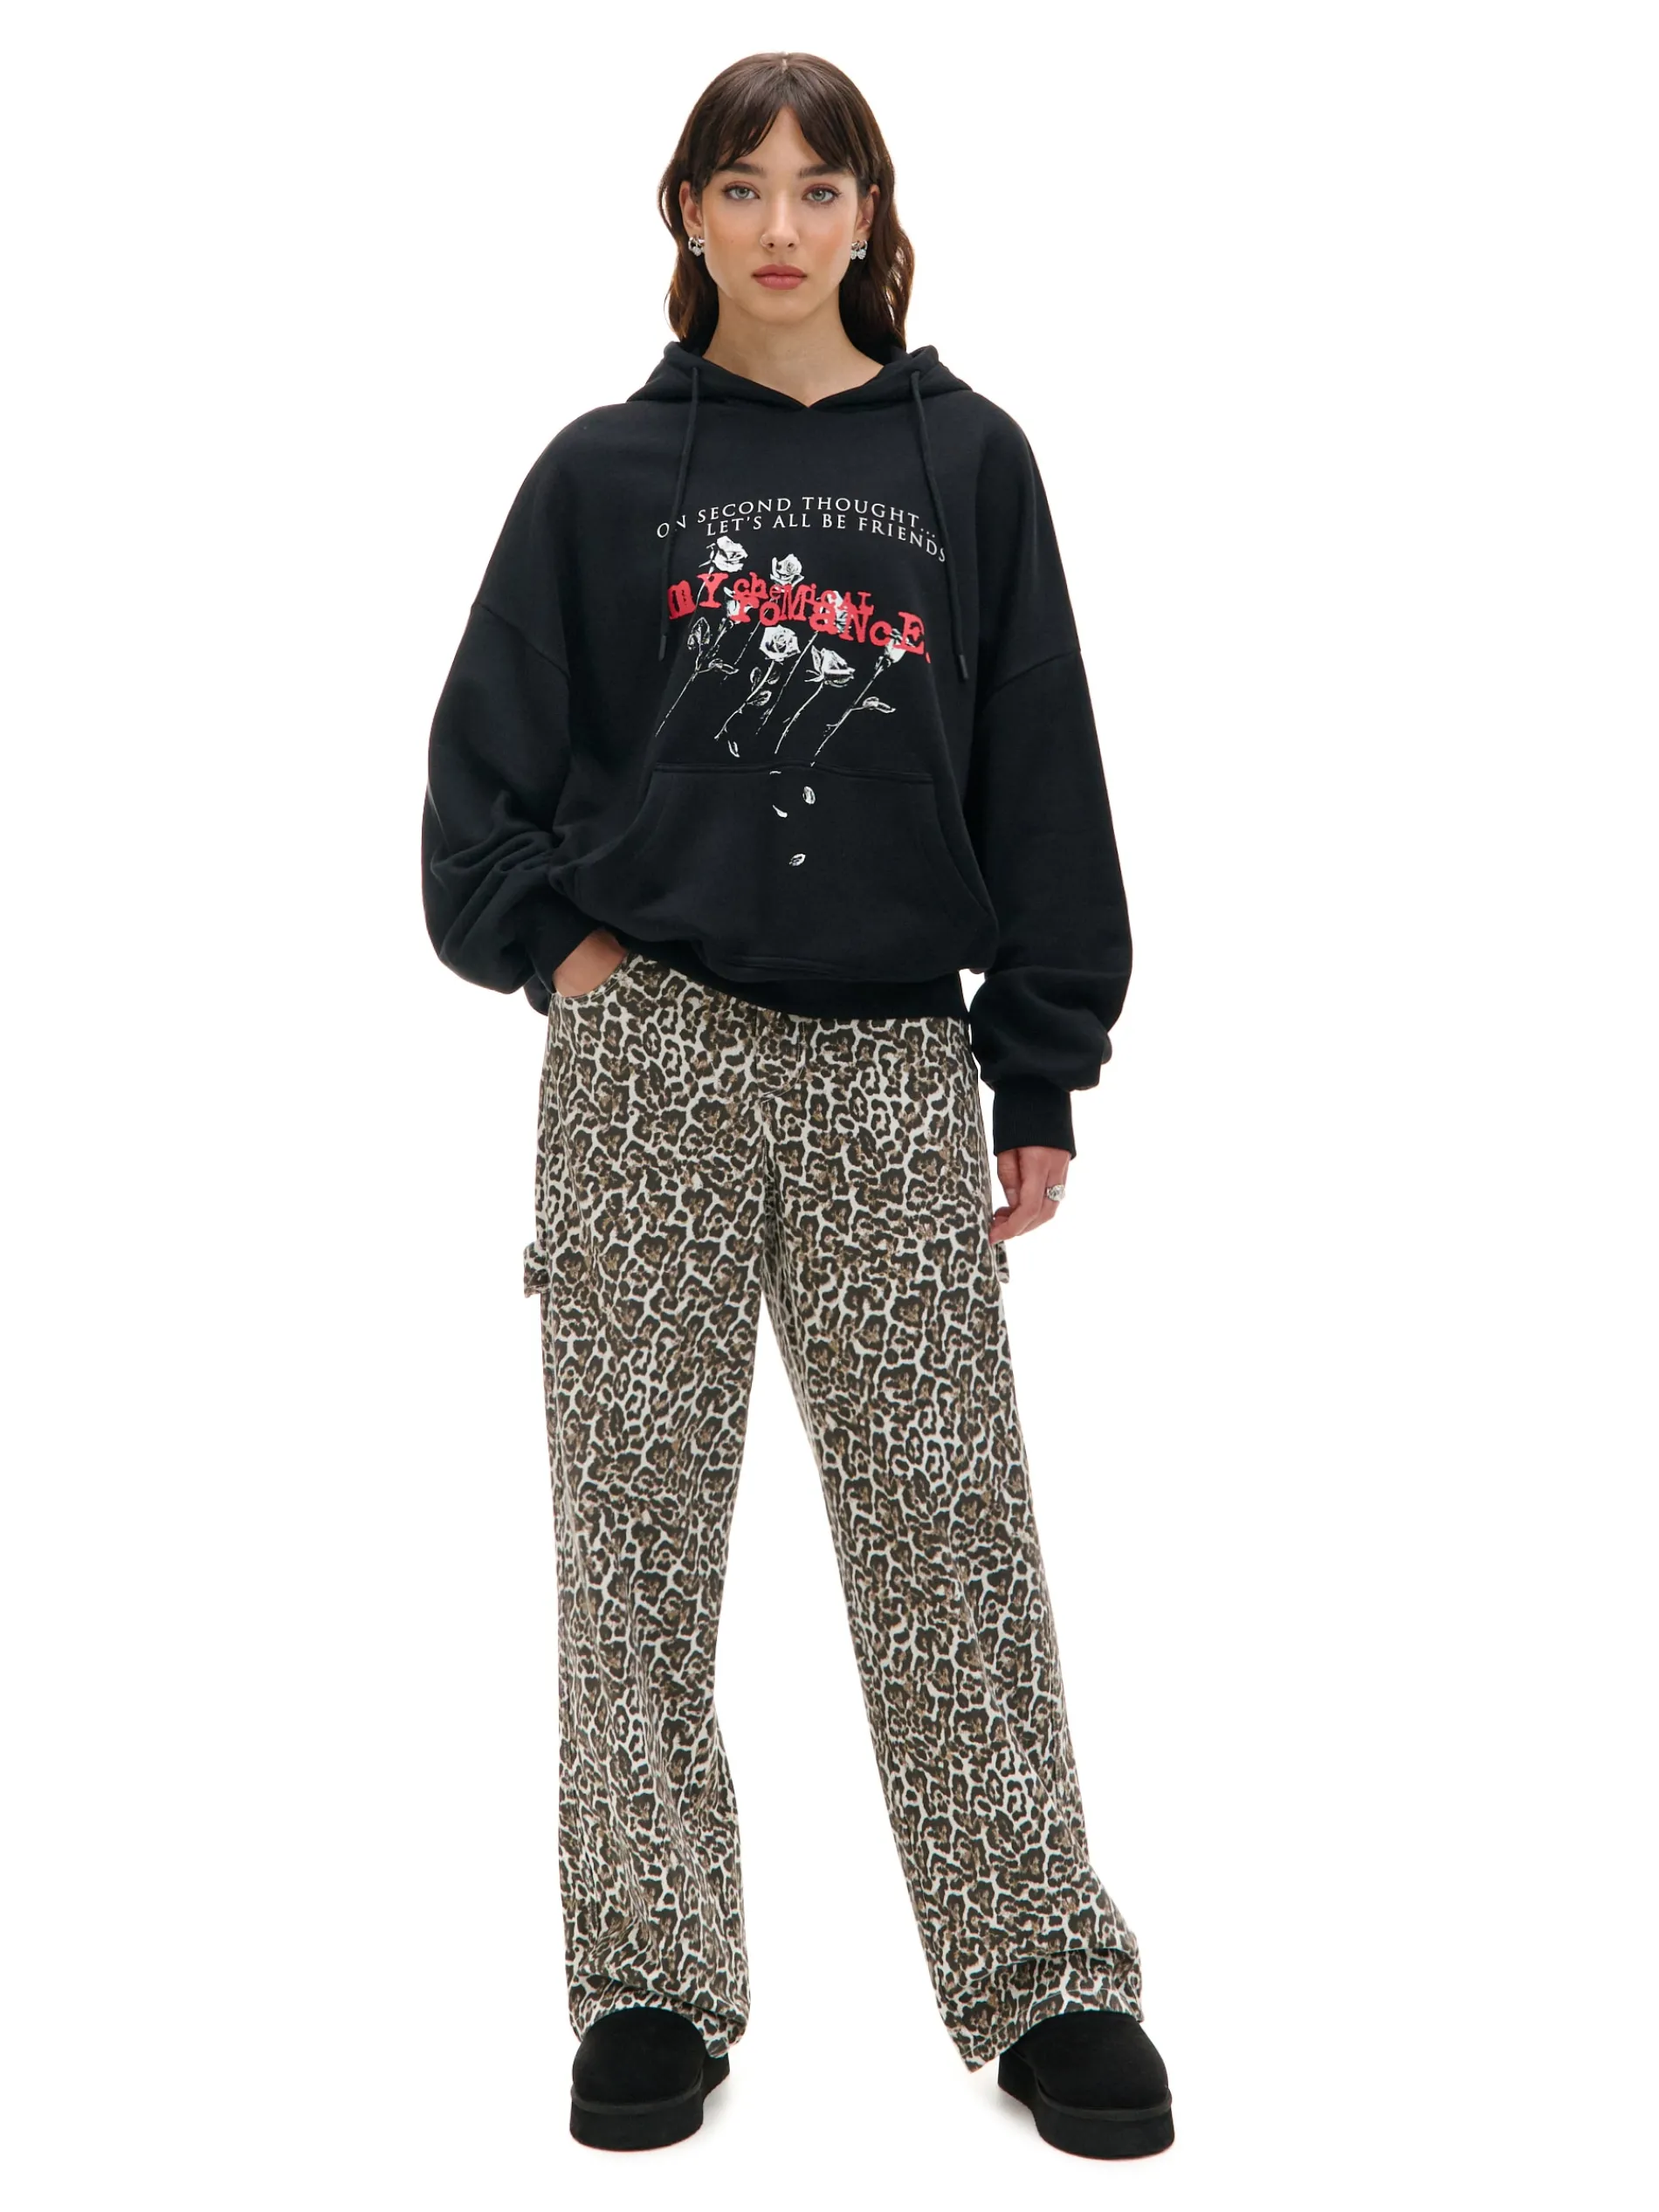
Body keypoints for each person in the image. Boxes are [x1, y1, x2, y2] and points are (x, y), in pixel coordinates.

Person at [420, 50, 1174, 2161]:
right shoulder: (598, 476)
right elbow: (477, 784)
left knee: (948, 1535)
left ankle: (1041, 1971)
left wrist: (1038, 1057)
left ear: (868, 213)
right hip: (651, 1057)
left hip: (886, 1064)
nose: (776, 225)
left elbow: (1038, 764)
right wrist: (571, 961)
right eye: (738, 185)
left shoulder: (967, 460)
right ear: (684, 210)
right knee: (634, 1535)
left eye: (815, 186)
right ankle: (649, 1974)